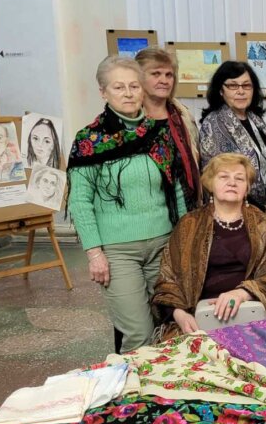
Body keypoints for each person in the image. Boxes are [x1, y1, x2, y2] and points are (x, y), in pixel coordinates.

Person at [68, 56, 193, 350]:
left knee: (168, 327)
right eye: (119, 87)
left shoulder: (159, 134)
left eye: (134, 86)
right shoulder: (90, 140)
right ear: (103, 92)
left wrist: (184, 240)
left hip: (163, 244)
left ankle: (164, 380)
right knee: (138, 334)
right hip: (118, 252)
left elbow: (176, 190)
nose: (128, 94)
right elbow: (80, 202)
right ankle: (133, 381)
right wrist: (94, 254)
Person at [152, 153, 266, 338]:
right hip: (198, 320)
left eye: (239, 178)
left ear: (247, 187)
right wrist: (179, 315)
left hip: (252, 316)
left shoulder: (264, 225)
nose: (232, 182)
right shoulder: (189, 224)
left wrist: (243, 293)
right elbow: (167, 281)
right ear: (210, 183)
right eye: (224, 176)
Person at [198, 60, 266, 221]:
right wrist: (259, 208)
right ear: (221, 90)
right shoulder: (213, 124)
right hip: (232, 213)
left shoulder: (256, 121)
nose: (241, 91)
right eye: (233, 86)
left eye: (246, 85)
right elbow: (217, 177)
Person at [135, 47, 202, 209]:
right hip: (146, 207)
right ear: (139, 77)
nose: (164, 80)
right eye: (156, 74)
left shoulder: (184, 116)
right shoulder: (130, 119)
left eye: (169, 75)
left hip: (187, 205)